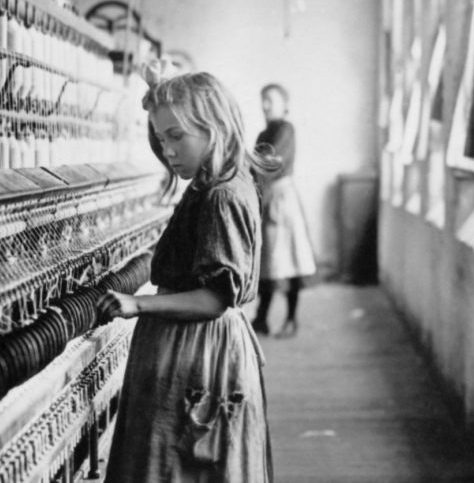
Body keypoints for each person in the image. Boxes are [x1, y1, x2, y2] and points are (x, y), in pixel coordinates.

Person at [96, 64, 275, 482]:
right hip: (192, 345)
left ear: (214, 127)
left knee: (182, 464)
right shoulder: (217, 183)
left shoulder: (221, 196)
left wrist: (137, 303)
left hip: (197, 350)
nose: (169, 151)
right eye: (161, 139)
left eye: (177, 137)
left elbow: (214, 299)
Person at [251, 83, 317, 338]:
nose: (265, 105)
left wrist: (250, 169)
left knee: (289, 261)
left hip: (282, 200)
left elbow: (270, 163)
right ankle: (262, 318)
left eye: (271, 100)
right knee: (268, 261)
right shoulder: (262, 133)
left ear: (284, 104)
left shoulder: (285, 130)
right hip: (267, 199)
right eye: (263, 99)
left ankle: (291, 319)